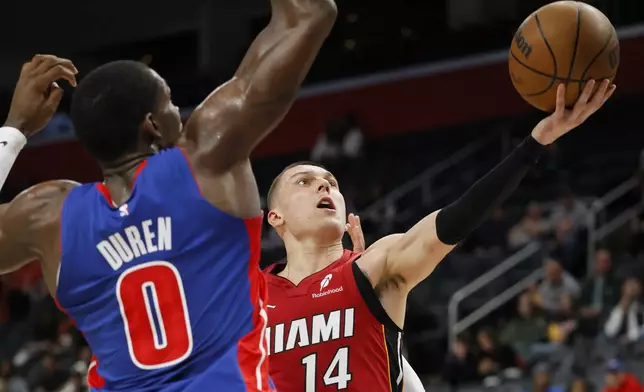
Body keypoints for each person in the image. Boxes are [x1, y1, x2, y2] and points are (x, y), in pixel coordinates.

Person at [0, 0, 338, 390]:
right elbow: (311, 13)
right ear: (152, 125)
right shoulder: (206, 159)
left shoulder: (49, 218)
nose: (180, 113)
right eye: (171, 103)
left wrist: (15, 128)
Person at [263, 80, 615, 392]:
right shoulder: (249, 297)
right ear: (275, 217)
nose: (325, 184)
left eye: (332, 183)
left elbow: (455, 219)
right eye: (304, 182)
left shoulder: (373, 268)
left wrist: (536, 142)